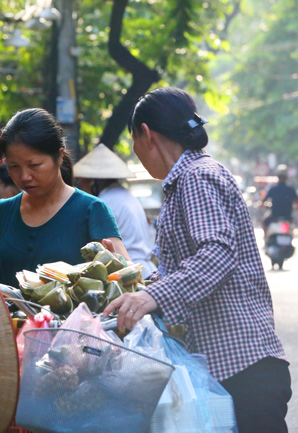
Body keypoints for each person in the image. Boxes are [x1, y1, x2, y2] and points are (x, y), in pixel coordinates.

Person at [103, 87, 290, 433]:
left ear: (146, 134)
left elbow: (217, 254)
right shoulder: (184, 181)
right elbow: (188, 267)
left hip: (243, 369)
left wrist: (152, 296)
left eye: (133, 139)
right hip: (227, 371)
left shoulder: (196, 177)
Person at [0, 108, 129, 286]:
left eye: (34, 165)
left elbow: (126, 273)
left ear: (59, 156)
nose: (24, 176)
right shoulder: (0, 212)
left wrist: (112, 269)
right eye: (14, 166)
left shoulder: (91, 210)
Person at [74, 143, 157, 277]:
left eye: (83, 184)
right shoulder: (126, 195)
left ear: (94, 182)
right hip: (144, 268)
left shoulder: (104, 203)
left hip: (128, 270)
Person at [263, 164, 298, 236]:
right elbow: (296, 202)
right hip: (288, 217)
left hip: (274, 216)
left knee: (263, 221)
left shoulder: (273, 189)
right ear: (286, 177)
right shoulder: (290, 189)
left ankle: (266, 239)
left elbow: (264, 201)